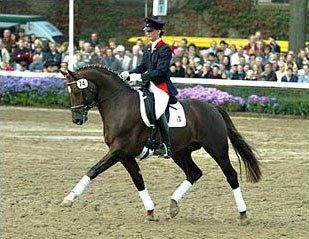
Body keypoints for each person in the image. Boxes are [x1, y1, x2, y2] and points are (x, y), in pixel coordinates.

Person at [119, 17, 178, 158]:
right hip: (148, 85)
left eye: (150, 31)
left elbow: (161, 72)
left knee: (158, 112)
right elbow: (142, 67)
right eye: (146, 30)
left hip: (161, 87)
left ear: (158, 31)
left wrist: (141, 77)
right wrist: (130, 73)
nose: (147, 33)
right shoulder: (147, 48)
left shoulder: (165, 49)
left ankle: (166, 146)